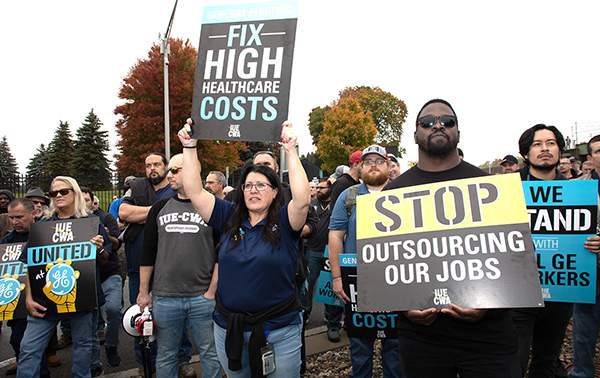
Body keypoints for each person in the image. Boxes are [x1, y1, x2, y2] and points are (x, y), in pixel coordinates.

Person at [385, 99, 520, 377]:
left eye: (447, 121)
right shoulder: (392, 195)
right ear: (415, 134)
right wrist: (403, 307)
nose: (437, 125)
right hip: (422, 340)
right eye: (427, 122)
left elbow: (514, 262)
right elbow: (383, 265)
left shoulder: (490, 187)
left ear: (458, 132)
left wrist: (488, 305)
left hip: (489, 338)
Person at [179, 119, 310, 378]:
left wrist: (291, 149)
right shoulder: (227, 217)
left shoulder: (284, 222)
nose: (253, 190)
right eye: (248, 185)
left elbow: (302, 200)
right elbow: (194, 191)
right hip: (230, 328)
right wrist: (190, 147)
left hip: (280, 329)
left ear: (274, 193)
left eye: (261, 185)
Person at [17, 176, 112, 378]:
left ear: (75, 193)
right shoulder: (43, 225)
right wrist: (28, 298)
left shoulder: (90, 223)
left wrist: (100, 248)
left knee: (83, 348)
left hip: (83, 298)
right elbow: (28, 263)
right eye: (53, 193)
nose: (58, 196)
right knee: (29, 348)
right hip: (44, 299)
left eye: (63, 191)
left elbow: (106, 259)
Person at [137, 153, 221, 378]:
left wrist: (211, 291)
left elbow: (222, 254)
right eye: (170, 169)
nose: (169, 174)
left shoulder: (213, 207)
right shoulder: (159, 208)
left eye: (176, 170)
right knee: (165, 354)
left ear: (194, 171)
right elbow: (148, 253)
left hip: (201, 297)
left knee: (209, 352)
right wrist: (144, 292)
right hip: (165, 298)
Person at [329, 144, 401, 377]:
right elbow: (335, 236)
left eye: (378, 161)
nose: (373, 165)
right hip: (357, 281)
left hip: (396, 280)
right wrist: (337, 277)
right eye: (367, 161)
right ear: (359, 167)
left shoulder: (402, 192)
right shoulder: (347, 196)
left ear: (389, 166)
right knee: (360, 344)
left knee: (395, 344)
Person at [1, 199, 51, 377]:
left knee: (39, 345)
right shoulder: (7, 242)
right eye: (11, 217)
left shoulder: (45, 233)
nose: (15, 222)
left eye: (19, 217)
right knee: (18, 340)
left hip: (46, 297)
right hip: (18, 299)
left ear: (33, 214)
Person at [81, 187, 123, 371]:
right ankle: (94, 363)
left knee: (113, 309)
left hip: (108, 273)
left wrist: (104, 237)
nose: (84, 204)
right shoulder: (70, 223)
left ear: (93, 201)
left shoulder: (104, 218)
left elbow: (116, 243)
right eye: (79, 200)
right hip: (86, 278)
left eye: (86, 200)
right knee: (89, 321)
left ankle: (111, 346)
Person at [569, 134, 600, 378]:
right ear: (590, 158)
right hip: (588, 275)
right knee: (583, 336)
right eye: (598, 151)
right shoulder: (578, 189)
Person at [302, 178, 332, 324]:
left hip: (329, 252)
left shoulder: (335, 206)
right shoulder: (312, 206)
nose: (318, 190)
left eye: (322, 188)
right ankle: (305, 313)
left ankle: (330, 317)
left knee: (329, 285)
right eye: (317, 188)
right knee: (309, 285)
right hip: (313, 250)